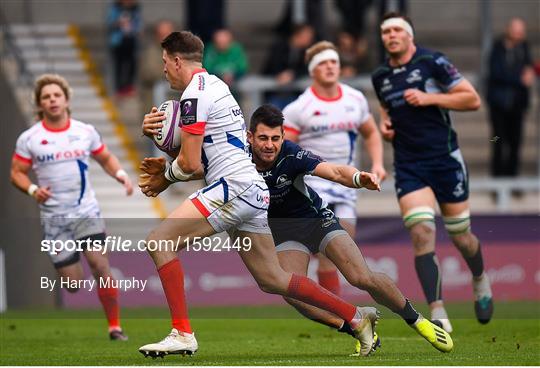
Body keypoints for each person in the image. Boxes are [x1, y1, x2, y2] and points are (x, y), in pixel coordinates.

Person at [136, 31, 381, 358]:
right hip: (250, 189)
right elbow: (205, 157)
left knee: (160, 241)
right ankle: (355, 316)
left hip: (233, 189)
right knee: (274, 279)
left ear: (177, 60)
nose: (164, 69)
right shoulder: (218, 86)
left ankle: (182, 332)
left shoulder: (194, 97)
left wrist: (164, 178)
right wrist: (159, 140)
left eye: (165, 62)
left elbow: (190, 162)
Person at [247, 104, 453, 355]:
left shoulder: (291, 154)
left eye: (275, 138)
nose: (270, 145)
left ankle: (418, 321)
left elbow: (333, 171)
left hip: (316, 222)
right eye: (263, 138)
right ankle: (356, 324)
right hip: (285, 234)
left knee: (360, 277)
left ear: (283, 137)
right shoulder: (240, 161)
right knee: (292, 294)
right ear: (250, 137)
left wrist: (358, 179)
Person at [371, 12, 493, 333]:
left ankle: (479, 279)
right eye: (386, 31)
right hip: (409, 166)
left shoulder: (433, 62)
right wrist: (386, 129)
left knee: (460, 237)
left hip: (444, 161)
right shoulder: (380, 75)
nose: (391, 35)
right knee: (422, 232)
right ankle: (437, 310)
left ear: (409, 36)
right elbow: (387, 110)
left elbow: (472, 98)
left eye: (397, 30)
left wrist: (430, 98)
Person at [10, 73, 134, 340]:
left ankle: (115, 326)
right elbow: (16, 173)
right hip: (54, 218)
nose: (52, 100)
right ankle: (73, 273)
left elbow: (105, 157)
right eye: (46, 97)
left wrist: (121, 175)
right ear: (39, 104)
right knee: (73, 284)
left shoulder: (84, 131)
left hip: (86, 211)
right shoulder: (30, 138)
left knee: (99, 264)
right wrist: (33, 189)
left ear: (66, 100)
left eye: (57, 95)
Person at [283, 41, 386, 298]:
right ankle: (339, 313)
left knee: (341, 251)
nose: (330, 67)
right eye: (323, 63)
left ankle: (337, 311)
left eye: (334, 62)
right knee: (329, 250)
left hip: (346, 184)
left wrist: (377, 163)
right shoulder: (299, 108)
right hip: (313, 184)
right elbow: (284, 149)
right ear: (312, 71)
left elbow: (371, 132)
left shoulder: (355, 99)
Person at [487, 17, 535, 180]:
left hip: (517, 106)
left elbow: (529, 69)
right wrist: (519, 79)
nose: (518, 34)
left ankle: (512, 177)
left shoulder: (524, 48)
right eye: (516, 30)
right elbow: (496, 73)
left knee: (516, 142)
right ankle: (497, 176)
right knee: (496, 140)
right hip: (498, 106)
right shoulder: (497, 48)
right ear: (508, 30)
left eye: (521, 31)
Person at [107, 0, 142, 96]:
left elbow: (139, 24)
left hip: (131, 40)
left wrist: (135, 29)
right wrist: (119, 22)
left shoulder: (135, 10)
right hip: (119, 42)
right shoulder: (115, 8)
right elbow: (110, 22)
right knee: (119, 65)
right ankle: (119, 87)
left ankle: (129, 86)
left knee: (131, 64)